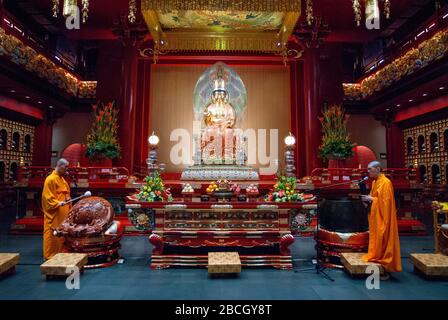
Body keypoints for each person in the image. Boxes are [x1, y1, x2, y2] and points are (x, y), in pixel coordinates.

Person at [361, 161, 402, 280]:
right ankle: (377, 256)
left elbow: (386, 203)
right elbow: (375, 197)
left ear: (378, 169)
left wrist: (372, 199)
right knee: (376, 237)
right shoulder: (375, 182)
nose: (368, 172)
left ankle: (386, 266)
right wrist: (367, 200)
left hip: (384, 216)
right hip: (376, 215)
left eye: (370, 169)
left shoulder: (386, 183)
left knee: (383, 236)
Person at [41, 158, 71, 260]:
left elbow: (66, 192)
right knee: (52, 233)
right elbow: (47, 198)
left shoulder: (62, 179)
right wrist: (58, 203)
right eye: (66, 167)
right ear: (60, 166)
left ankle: (60, 252)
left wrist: (67, 198)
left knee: (61, 233)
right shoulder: (50, 179)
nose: (67, 169)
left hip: (63, 212)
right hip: (55, 212)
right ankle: (49, 255)